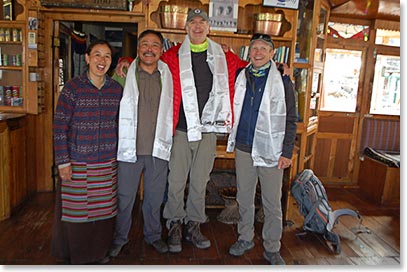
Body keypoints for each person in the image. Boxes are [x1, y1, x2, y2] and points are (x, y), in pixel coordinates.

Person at [115, 8, 247, 253]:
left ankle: (193, 224)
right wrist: (125, 61)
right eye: (192, 22)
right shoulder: (171, 56)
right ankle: (175, 223)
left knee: (200, 181)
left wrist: (279, 67)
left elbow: (249, 69)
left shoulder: (224, 56)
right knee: (175, 181)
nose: (197, 26)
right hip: (180, 130)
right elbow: (146, 62)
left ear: (209, 27)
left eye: (202, 22)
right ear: (186, 27)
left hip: (208, 131)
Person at [226, 34, 297, 265]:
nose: (258, 52)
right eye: (254, 48)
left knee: (272, 202)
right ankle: (245, 237)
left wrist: (287, 152)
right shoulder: (240, 75)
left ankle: (272, 247)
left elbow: (291, 118)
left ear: (272, 53)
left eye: (263, 48)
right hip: (244, 147)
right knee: (244, 197)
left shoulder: (283, 81)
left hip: (272, 149)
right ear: (249, 52)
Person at [51, 40, 123, 265]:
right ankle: (79, 258)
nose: (102, 61)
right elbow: (59, 126)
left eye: (107, 56)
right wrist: (63, 162)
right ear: (88, 58)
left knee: (104, 214)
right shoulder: (73, 89)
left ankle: (99, 254)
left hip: (106, 163)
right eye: (97, 55)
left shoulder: (116, 90)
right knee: (77, 215)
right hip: (78, 163)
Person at [108, 29, 174, 257]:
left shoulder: (168, 75)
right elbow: (109, 105)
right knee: (125, 198)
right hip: (129, 150)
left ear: (161, 50)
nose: (149, 49)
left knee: (154, 198)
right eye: (144, 44)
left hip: (158, 149)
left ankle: (153, 236)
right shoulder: (124, 73)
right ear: (138, 49)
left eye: (154, 45)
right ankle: (120, 238)